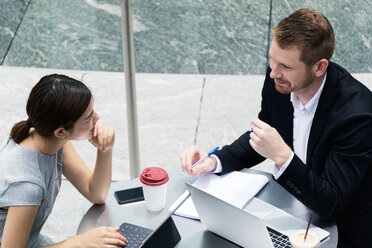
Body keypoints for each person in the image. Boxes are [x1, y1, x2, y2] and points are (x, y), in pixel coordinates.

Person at [180, 8, 372, 248]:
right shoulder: (281, 81)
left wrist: (283, 156)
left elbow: (331, 203)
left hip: (342, 230)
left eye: (285, 66)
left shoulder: (358, 116)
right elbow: (264, 135)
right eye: (272, 58)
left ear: (319, 67)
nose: (273, 72)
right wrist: (216, 161)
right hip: (292, 210)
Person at [0, 74, 128, 247]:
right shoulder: (27, 185)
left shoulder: (50, 140)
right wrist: (81, 242)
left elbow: (96, 193)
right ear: (60, 132)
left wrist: (105, 149)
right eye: (89, 117)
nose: (97, 117)